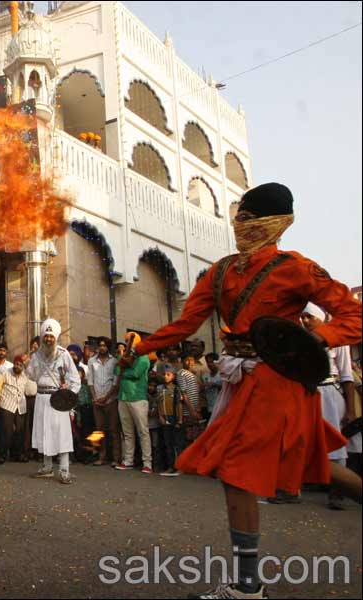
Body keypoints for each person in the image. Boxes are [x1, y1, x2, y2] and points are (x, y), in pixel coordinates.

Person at [132, 182, 362, 599]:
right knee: (320, 465)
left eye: (248, 216)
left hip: (279, 381)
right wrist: (141, 346)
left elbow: (353, 314)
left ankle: (246, 588)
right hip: (243, 381)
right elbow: (186, 324)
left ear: (271, 223)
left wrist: (318, 339)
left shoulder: (297, 267)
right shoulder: (220, 271)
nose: (241, 224)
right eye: (240, 216)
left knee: (236, 472)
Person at [301, 302, 356, 510]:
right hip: (307, 393)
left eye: (310, 317)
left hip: (330, 393)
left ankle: (338, 492)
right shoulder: (301, 340)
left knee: (335, 445)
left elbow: (347, 376)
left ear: (320, 317)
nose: (305, 321)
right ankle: (292, 487)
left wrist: (350, 410)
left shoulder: (338, 340)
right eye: (303, 317)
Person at [26, 319, 80, 484]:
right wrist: (28, 363)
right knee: (44, 433)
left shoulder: (64, 355)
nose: (48, 339)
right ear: (42, 337)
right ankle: (47, 467)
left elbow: (75, 379)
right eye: (46, 336)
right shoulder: (36, 356)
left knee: (61, 435)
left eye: (51, 336)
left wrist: (68, 397)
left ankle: (64, 470)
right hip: (41, 398)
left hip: (58, 400)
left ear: (56, 337)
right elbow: (32, 376)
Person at [114, 334, 152, 473]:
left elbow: (135, 373)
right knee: (127, 432)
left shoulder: (143, 358)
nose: (128, 344)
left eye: (130, 342)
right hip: (123, 397)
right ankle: (128, 460)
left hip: (138, 398)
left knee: (143, 431)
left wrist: (124, 368)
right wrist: (123, 365)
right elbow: (116, 370)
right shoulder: (123, 356)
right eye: (126, 342)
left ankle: (147, 463)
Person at [87, 337, 120, 467]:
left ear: (108, 347)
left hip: (110, 400)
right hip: (97, 401)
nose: (102, 348)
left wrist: (106, 398)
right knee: (99, 430)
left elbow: (115, 382)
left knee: (113, 430)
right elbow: (90, 381)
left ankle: (116, 458)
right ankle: (102, 457)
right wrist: (95, 398)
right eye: (100, 345)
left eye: (104, 345)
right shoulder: (91, 361)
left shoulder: (114, 361)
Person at [0, 354, 32, 463]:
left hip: (20, 405)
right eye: (16, 364)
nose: (18, 366)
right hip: (7, 404)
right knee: (6, 430)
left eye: (20, 365)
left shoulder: (25, 376)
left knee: (20, 431)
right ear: (14, 364)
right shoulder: (5, 373)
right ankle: (1, 455)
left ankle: (16, 454)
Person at [156, 366, 183, 477]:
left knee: (177, 443)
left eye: (169, 374)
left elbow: (179, 405)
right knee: (168, 444)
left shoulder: (176, 389)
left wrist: (179, 420)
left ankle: (179, 466)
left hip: (174, 417)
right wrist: (161, 416)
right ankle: (170, 466)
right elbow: (159, 404)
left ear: (174, 376)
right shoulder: (160, 388)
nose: (166, 377)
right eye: (164, 374)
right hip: (165, 417)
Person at [200, 352, 222, 421]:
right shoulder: (205, 376)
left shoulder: (222, 375)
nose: (209, 364)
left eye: (212, 362)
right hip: (209, 408)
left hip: (221, 408)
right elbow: (202, 391)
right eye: (208, 362)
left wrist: (215, 385)